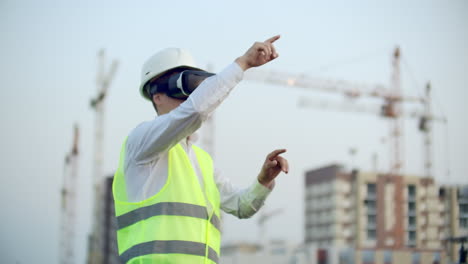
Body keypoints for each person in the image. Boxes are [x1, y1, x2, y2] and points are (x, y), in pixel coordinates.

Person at [112, 35, 289, 264]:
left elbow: (241, 206)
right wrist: (242, 63)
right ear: (157, 95)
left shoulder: (201, 161)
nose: (190, 96)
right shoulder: (140, 143)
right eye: (182, 86)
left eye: (195, 88)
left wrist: (263, 181)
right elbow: (194, 112)